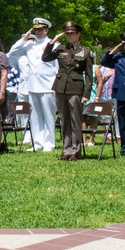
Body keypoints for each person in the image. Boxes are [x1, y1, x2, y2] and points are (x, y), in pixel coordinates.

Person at [42, 21, 93, 161]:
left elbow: (89, 76)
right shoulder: (60, 47)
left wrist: (86, 94)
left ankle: (75, 150)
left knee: (75, 119)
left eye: (72, 33)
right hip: (60, 87)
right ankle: (66, 149)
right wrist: (52, 42)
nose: (69, 36)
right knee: (64, 119)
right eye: (67, 34)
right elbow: (45, 58)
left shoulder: (85, 51)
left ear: (78, 34)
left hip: (76, 88)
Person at [7, 18, 57, 152]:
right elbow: (11, 54)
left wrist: (56, 86)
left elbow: (57, 67)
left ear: (46, 30)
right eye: (36, 30)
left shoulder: (54, 45)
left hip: (48, 85)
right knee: (34, 116)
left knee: (48, 115)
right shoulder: (30, 45)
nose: (38, 32)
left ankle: (49, 142)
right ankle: (38, 142)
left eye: (40, 30)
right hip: (33, 85)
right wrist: (23, 39)